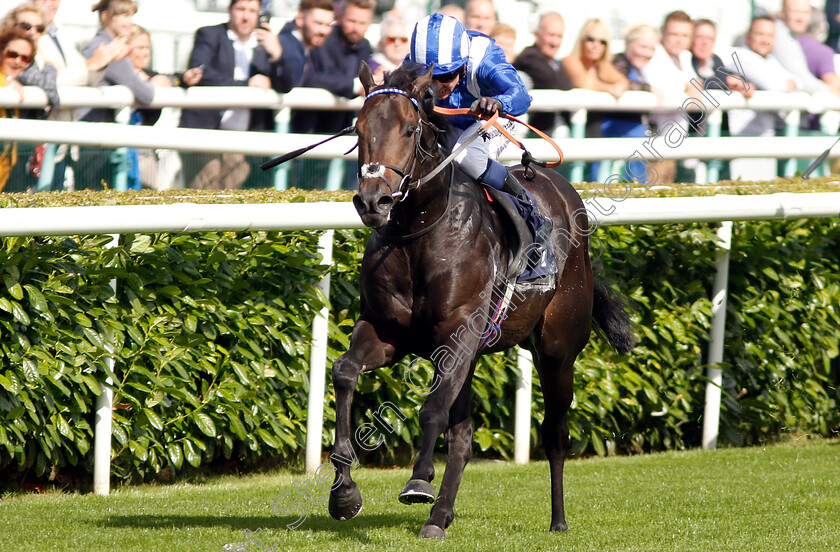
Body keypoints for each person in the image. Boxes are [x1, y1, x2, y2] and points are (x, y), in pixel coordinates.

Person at [407, 13, 532, 202]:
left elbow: (522, 96)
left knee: (468, 158)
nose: (437, 86)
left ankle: (524, 203)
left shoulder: (485, 61)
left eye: (447, 76)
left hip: (491, 117)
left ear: (463, 64)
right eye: (430, 77)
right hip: (448, 123)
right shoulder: (413, 62)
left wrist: (498, 103)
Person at [179, 0, 287, 190]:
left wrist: (277, 54)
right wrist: (247, 84)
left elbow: (286, 85)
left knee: (232, 201)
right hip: (205, 134)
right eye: (241, 9)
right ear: (230, 10)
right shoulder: (209, 34)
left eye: (252, 11)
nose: (246, 16)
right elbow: (200, 73)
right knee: (203, 194)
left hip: (244, 141)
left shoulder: (266, 44)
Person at [32, 0, 127, 191]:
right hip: (40, 143)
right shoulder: (29, 34)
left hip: (62, 141)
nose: (50, 4)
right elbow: (46, 82)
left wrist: (102, 62)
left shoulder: (60, 34)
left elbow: (84, 74)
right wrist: (92, 65)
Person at [289, 0, 374, 189]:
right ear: (340, 18)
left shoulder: (365, 46)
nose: (356, 28)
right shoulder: (324, 37)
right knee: (303, 183)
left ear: (369, 24)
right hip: (310, 124)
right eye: (351, 21)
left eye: (361, 23)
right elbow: (311, 77)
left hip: (343, 127)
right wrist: (353, 85)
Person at [604, 24, 661, 184]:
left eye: (652, 49)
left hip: (633, 135)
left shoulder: (641, 69)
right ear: (629, 44)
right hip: (615, 132)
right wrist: (648, 89)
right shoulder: (619, 61)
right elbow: (619, 81)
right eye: (643, 46)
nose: (647, 53)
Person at [512, 12, 571, 137]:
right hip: (528, 136)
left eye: (559, 36)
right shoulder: (529, 57)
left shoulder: (554, 63)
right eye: (551, 35)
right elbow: (557, 83)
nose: (555, 42)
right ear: (537, 34)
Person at [0, 30, 35, 192]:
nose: (17, 61)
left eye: (25, 58)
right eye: (12, 54)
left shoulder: (18, 87)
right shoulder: (8, 84)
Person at [773, 0, 831, 94]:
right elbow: (803, 79)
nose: (800, 18)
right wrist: (831, 91)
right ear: (783, 13)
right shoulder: (778, 35)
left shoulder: (789, 34)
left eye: (805, 12)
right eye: (795, 12)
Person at [277, 0, 334, 90]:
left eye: (328, 25)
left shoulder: (312, 51)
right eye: (318, 23)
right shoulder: (286, 46)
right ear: (300, 19)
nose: (324, 31)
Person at [369, 17, 410, 83]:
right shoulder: (370, 68)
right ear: (380, 44)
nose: (397, 44)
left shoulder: (415, 69)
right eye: (391, 40)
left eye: (403, 40)